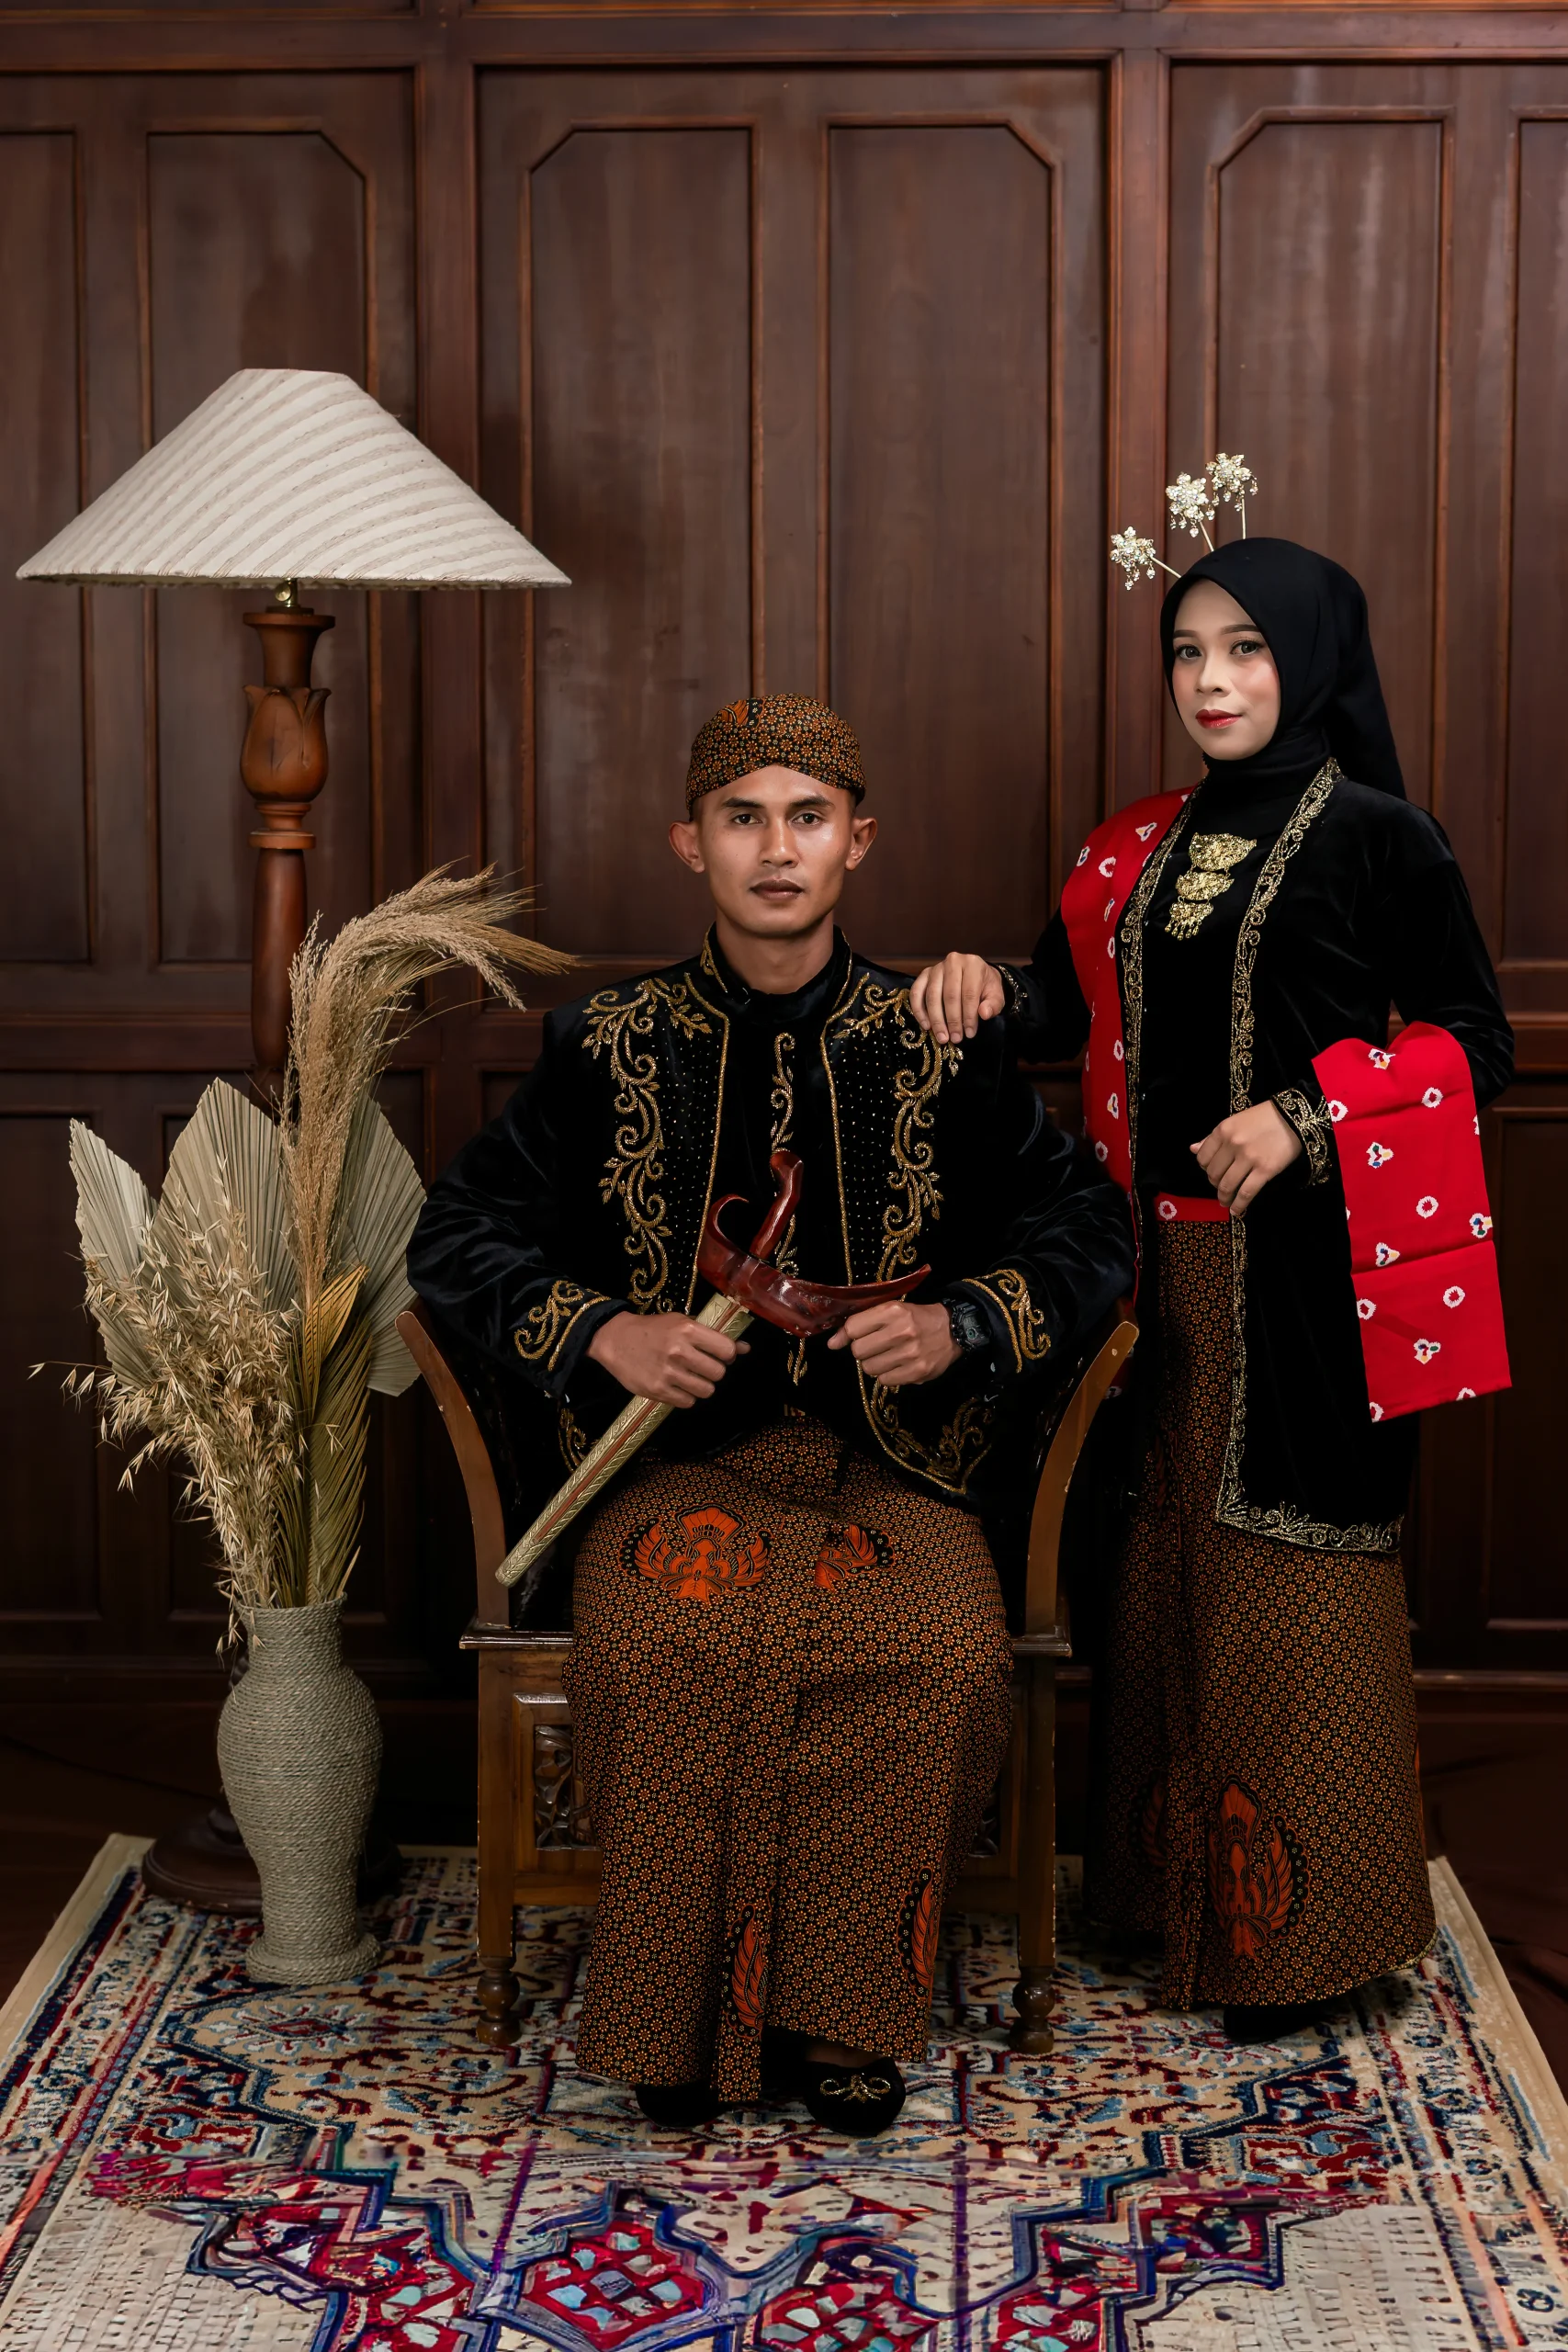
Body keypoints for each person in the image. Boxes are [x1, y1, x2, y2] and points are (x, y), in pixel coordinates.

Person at [408, 693, 1135, 2129]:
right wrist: (606, 1332)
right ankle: (668, 2024)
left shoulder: (935, 1035)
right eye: (742, 819)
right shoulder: (605, 1043)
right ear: (691, 843)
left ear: (858, 841)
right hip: (676, 1467)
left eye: (808, 817)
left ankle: (842, 2022)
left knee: (933, 1651)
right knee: (666, 1637)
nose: (776, 848)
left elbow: (1089, 1234)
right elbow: (455, 1238)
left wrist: (960, 1322)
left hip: (900, 1469)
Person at [909, 537, 1513, 2042]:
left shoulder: (1382, 837)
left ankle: (1304, 1943)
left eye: (1244, 648)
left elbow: (1471, 1037)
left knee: (1287, 1577)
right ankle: (1165, 1908)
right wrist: (982, 989)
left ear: (1310, 655)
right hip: (1140, 1271)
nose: (1210, 681)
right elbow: (1059, 1011)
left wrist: (1307, 1116)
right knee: (1156, 1572)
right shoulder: (1132, 846)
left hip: (1306, 1279)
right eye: (1186, 651)